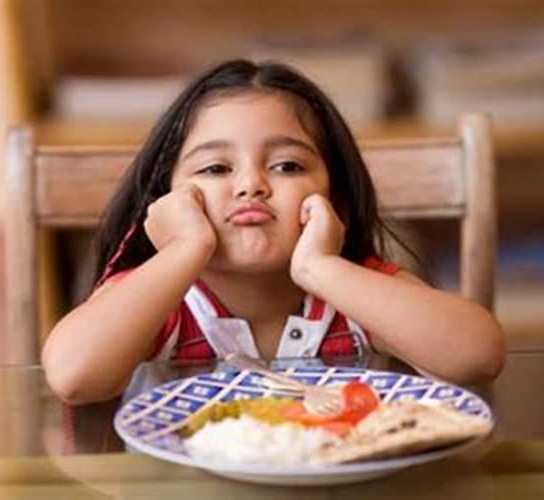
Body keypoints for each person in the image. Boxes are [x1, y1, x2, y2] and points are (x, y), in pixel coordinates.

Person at [42, 59, 505, 405]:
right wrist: (185, 250)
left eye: (287, 165)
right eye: (216, 167)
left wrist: (319, 268)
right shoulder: (160, 300)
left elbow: (478, 356)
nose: (250, 185)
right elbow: (72, 377)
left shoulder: (354, 295)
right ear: (169, 204)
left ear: (335, 200)